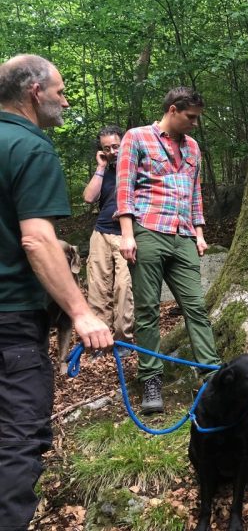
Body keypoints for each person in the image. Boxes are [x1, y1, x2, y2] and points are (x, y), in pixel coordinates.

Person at [0, 54, 113, 530]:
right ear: (34, 91)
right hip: (12, 320)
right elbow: (37, 239)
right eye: (62, 91)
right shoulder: (29, 146)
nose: (66, 101)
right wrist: (81, 313)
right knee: (16, 442)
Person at [117, 87, 221, 415]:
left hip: (184, 236)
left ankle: (212, 375)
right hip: (147, 231)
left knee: (196, 307)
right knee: (147, 310)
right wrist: (127, 235)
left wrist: (200, 233)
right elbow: (124, 188)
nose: (194, 123)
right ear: (173, 110)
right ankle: (150, 378)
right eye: (190, 117)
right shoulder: (136, 138)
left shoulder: (193, 147)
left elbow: (195, 194)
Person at [82, 125, 134, 357]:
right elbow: (89, 197)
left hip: (126, 234)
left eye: (116, 145)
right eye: (107, 148)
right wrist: (101, 167)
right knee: (98, 288)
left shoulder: (136, 166)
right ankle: (100, 342)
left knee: (124, 287)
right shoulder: (104, 170)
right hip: (101, 233)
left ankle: (123, 341)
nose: (113, 151)